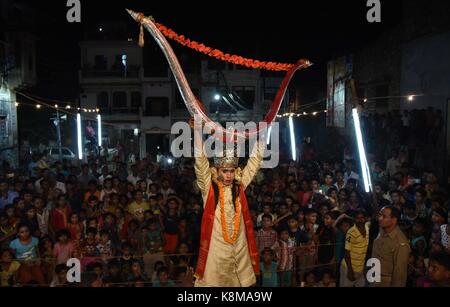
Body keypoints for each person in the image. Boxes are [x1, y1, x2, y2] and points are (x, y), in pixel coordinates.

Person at [191, 117, 265, 287]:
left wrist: (262, 134)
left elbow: (254, 163)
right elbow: (200, 161)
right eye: (225, 171)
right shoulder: (209, 189)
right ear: (217, 171)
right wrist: (196, 131)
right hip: (215, 256)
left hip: (238, 252)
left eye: (232, 171)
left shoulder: (238, 187)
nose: (229, 175)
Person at [372, 206, 410, 287]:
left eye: (384, 216)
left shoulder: (400, 243)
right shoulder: (382, 229)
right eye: (379, 215)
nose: (380, 218)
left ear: (394, 220)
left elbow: (399, 275)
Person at [340, 209, 369, 287]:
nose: (360, 220)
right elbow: (346, 253)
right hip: (349, 267)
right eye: (357, 218)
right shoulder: (351, 232)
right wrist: (350, 270)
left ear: (365, 218)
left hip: (360, 268)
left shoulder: (367, 227)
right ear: (354, 219)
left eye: (362, 218)